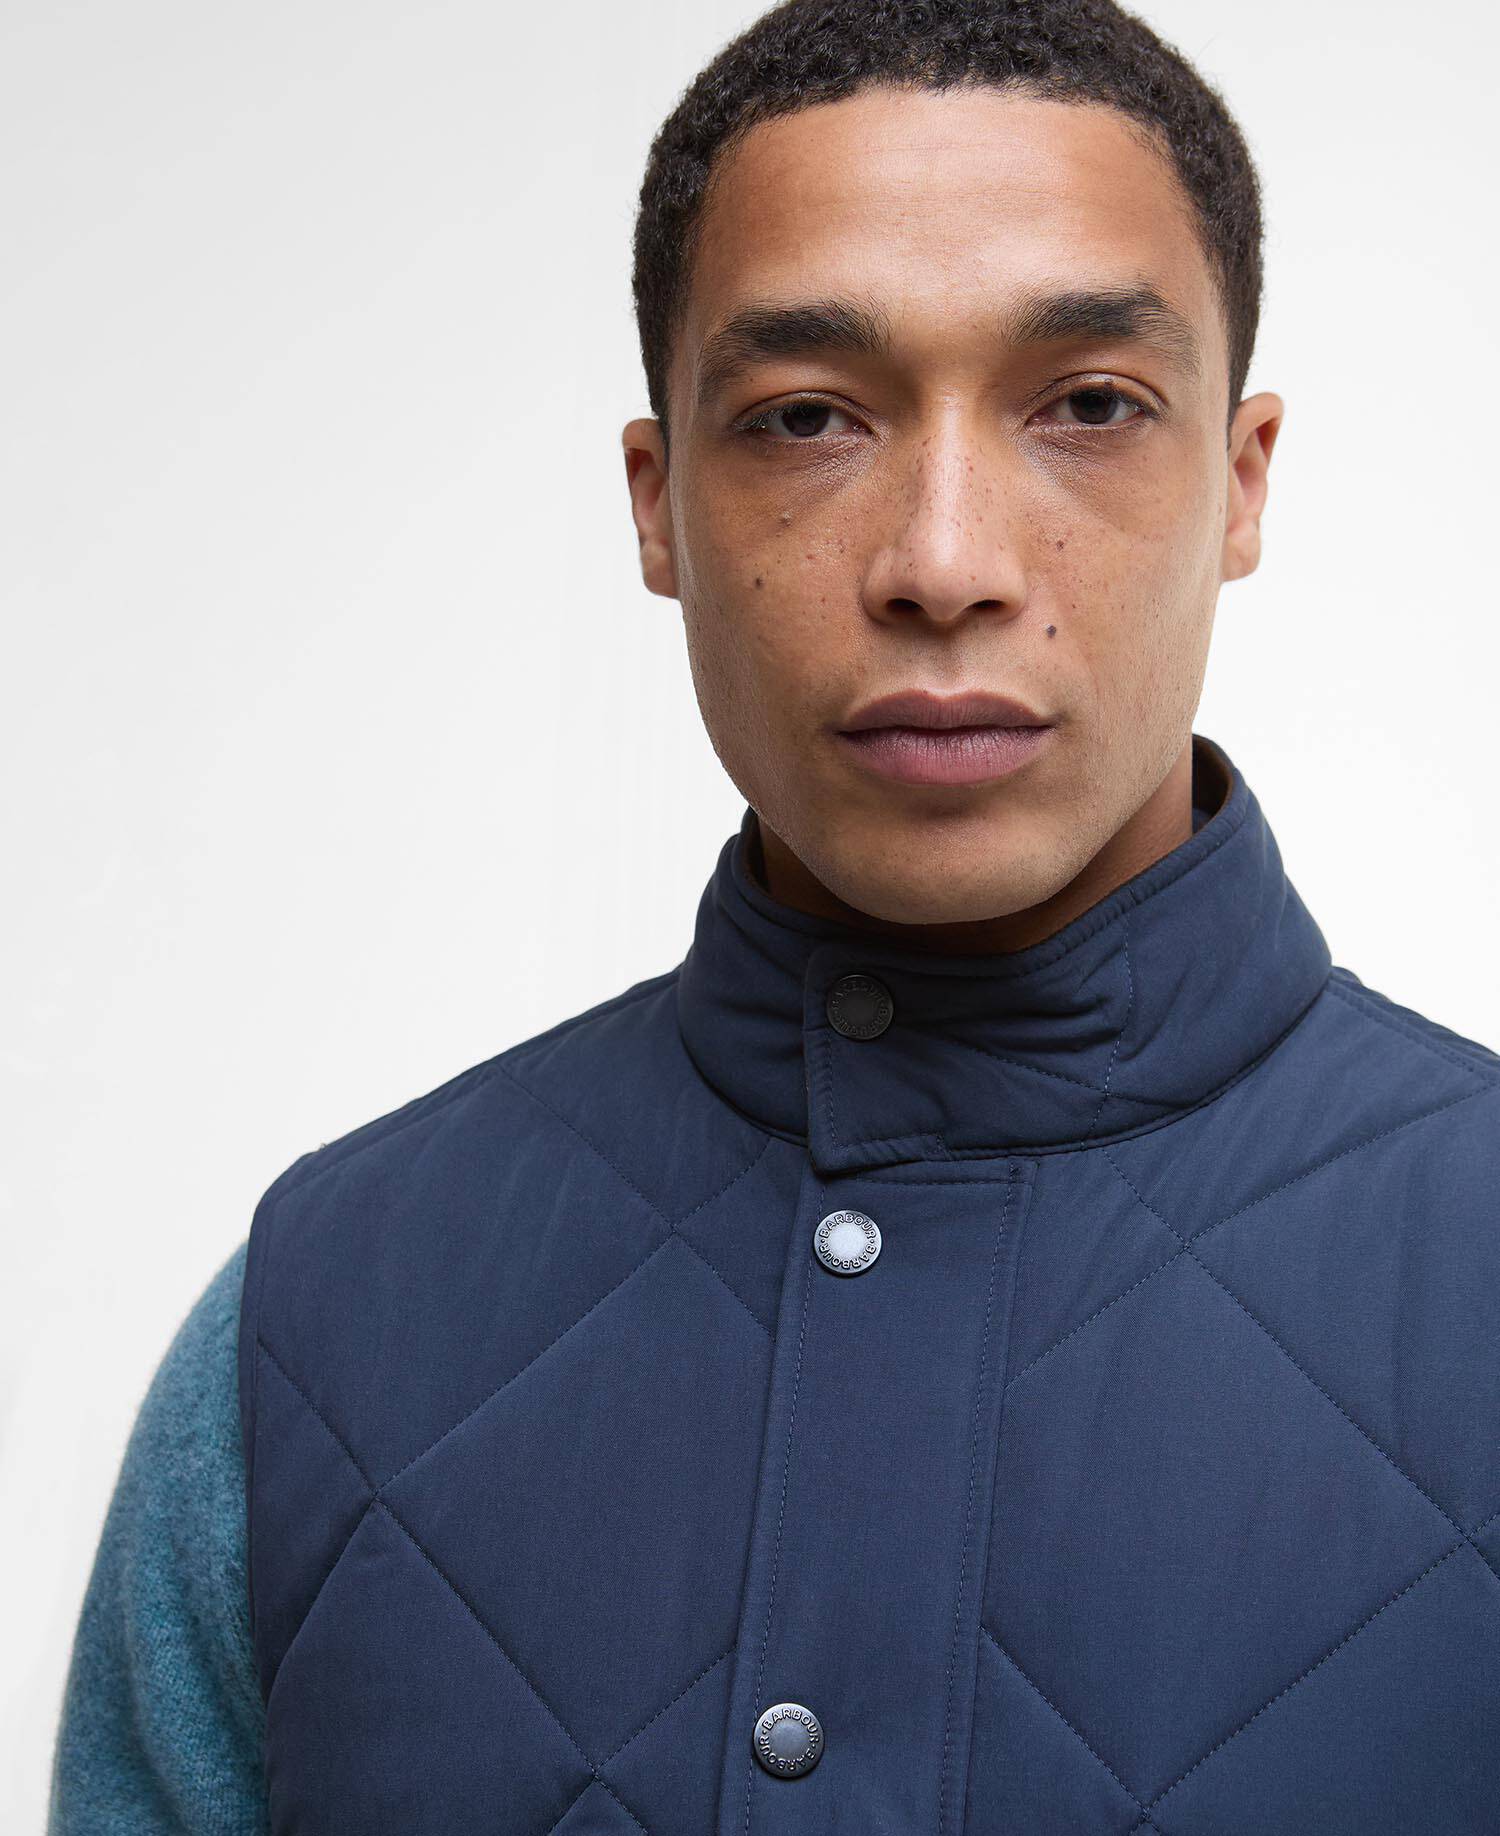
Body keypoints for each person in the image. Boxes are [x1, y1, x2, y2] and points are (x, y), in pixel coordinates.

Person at [49, 0, 1500, 1829]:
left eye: (1089, 406)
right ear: (659, 504)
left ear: (1241, 479)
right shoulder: (314, 1330)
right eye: (808, 417)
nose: (945, 562)